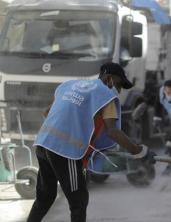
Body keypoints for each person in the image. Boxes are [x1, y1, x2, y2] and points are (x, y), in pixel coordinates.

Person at [27, 62, 156, 222]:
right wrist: (139, 152)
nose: (119, 89)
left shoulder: (71, 85)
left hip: (43, 143)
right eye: (118, 84)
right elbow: (113, 131)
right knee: (78, 202)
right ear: (109, 78)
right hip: (65, 152)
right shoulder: (106, 96)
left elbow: (47, 112)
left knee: (45, 198)